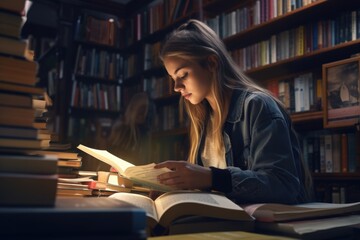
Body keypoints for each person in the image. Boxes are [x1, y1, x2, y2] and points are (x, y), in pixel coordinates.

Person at [154, 19, 313, 204]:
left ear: (212, 63)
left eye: (182, 75)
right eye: (173, 78)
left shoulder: (258, 106)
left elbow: (284, 186)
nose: (176, 87)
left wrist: (213, 177)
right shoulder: (203, 118)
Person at [107, 92, 153, 166]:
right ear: (133, 109)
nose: (144, 113)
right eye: (141, 110)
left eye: (146, 110)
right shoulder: (120, 129)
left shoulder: (144, 133)